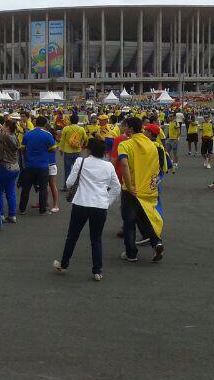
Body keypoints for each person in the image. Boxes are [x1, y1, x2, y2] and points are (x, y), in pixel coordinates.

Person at [54, 138, 120, 281]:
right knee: (96, 239)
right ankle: (97, 270)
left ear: (88, 149)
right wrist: (107, 201)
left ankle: (64, 264)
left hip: (81, 203)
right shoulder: (109, 166)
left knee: (72, 236)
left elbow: (70, 182)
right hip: (100, 205)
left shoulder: (81, 162)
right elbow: (116, 187)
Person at [117, 117, 164, 263]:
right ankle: (156, 242)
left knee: (129, 222)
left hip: (131, 190)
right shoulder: (152, 145)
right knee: (145, 219)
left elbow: (124, 165)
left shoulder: (125, 144)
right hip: (148, 189)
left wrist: (130, 185)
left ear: (130, 129)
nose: (124, 129)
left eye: (125, 126)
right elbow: (157, 167)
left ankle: (131, 253)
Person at [19, 116, 55, 216]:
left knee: (26, 188)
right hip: (43, 165)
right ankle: (42, 210)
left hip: (29, 165)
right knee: (43, 188)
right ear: (45, 124)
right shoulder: (47, 135)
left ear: (35, 123)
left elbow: (22, 148)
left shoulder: (28, 133)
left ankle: (22, 209)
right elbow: (53, 149)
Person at [0, 118, 20, 223]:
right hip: (14, 167)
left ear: (8, 127)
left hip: (4, 166)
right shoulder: (14, 137)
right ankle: (12, 215)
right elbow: (1, 129)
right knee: (10, 192)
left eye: (4, 126)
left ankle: (0, 214)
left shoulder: (5, 137)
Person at [59, 114, 87, 186]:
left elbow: (62, 140)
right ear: (77, 121)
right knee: (77, 169)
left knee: (67, 169)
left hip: (67, 151)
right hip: (77, 151)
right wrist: (83, 146)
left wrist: (61, 149)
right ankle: (76, 185)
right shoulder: (81, 129)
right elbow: (85, 139)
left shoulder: (66, 128)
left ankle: (66, 185)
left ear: (70, 120)